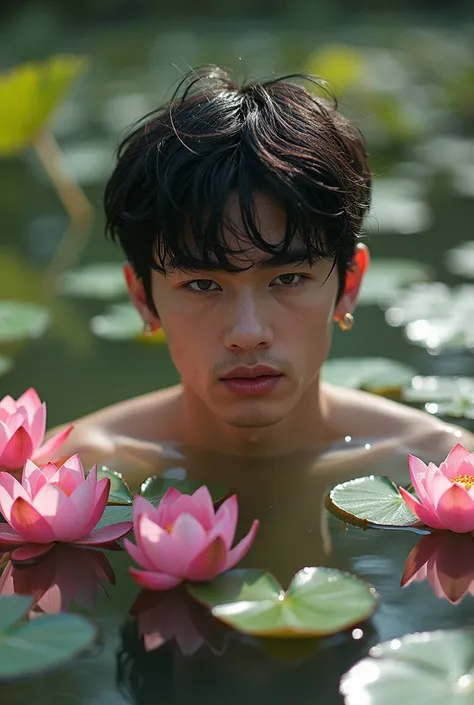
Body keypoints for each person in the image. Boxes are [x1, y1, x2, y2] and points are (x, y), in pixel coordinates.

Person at [53, 66, 472, 582]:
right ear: (143, 298)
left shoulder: (449, 468)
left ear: (349, 284)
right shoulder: (63, 477)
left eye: (289, 277)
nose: (248, 332)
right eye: (203, 285)